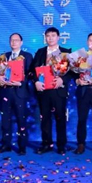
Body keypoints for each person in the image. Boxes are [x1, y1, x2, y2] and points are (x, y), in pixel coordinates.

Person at [31, 27, 73, 155]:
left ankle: (61, 145)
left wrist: (62, 80)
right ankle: (46, 144)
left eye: (53, 35)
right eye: (48, 36)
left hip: (58, 90)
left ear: (58, 37)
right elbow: (33, 70)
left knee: (60, 118)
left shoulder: (65, 52)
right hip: (43, 90)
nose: (50, 38)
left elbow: (72, 72)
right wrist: (36, 81)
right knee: (45, 119)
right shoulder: (40, 52)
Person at [0, 33, 33, 155]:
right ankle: (6, 144)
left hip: (20, 92)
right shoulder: (4, 56)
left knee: (21, 120)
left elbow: (31, 73)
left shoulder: (27, 56)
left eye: (16, 40)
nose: (14, 42)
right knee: (5, 120)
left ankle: (22, 146)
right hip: (5, 91)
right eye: (12, 40)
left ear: (21, 42)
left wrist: (21, 82)